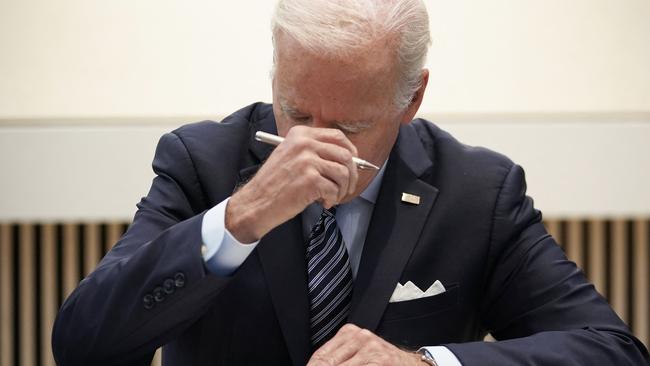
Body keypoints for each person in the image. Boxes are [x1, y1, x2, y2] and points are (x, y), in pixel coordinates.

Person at [52, 0, 649, 365]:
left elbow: (609, 350)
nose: (315, 144)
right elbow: (84, 347)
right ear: (276, 71)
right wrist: (239, 219)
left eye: (351, 125)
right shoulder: (200, 163)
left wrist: (427, 365)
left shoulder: (478, 191)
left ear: (412, 97)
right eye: (297, 113)